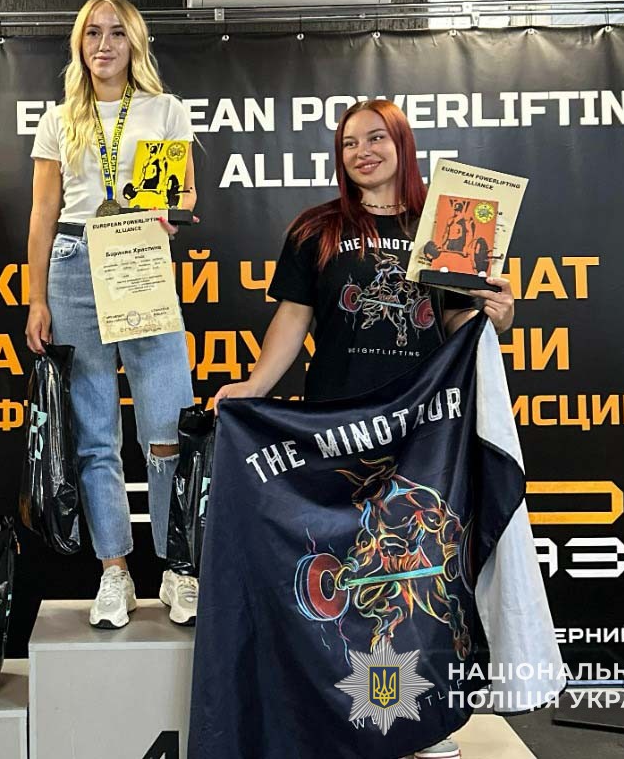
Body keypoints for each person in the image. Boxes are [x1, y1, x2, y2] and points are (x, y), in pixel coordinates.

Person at [213, 99, 515, 759]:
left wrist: (496, 315)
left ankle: (422, 725)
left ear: (403, 144)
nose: (363, 152)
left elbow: (460, 326)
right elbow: (293, 319)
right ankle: (354, 718)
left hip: (421, 431)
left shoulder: (447, 222)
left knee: (416, 581)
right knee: (352, 578)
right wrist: (254, 387)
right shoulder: (316, 229)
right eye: (350, 143)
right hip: (338, 429)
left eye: (376, 138)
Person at [25, 0, 200, 628]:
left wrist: (169, 212)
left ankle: (179, 568)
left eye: (117, 33)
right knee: (95, 433)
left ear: (135, 43)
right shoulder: (59, 118)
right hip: (73, 262)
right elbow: (43, 213)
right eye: (93, 33)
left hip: (139, 257)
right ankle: (114, 572)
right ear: (79, 44)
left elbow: (185, 192)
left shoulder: (164, 109)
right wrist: (36, 296)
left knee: (167, 428)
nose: (104, 45)